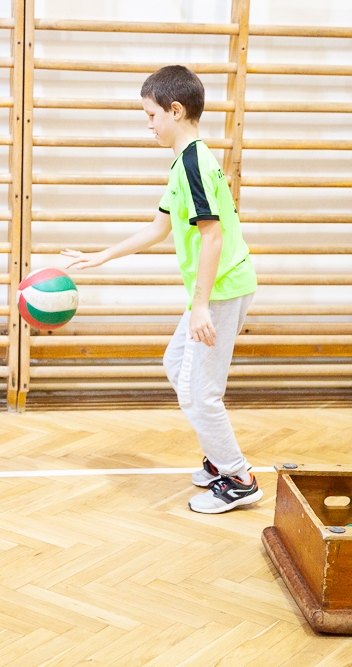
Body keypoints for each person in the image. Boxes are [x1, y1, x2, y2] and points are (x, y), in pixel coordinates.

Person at [62, 65, 260, 514]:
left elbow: (213, 237)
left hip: (222, 290)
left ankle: (238, 478)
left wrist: (202, 306)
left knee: (200, 391)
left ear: (175, 110)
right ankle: (219, 460)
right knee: (177, 365)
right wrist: (101, 256)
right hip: (215, 290)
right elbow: (158, 228)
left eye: (151, 116)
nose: (148, 125)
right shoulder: (184, 162)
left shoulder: (193, 164)